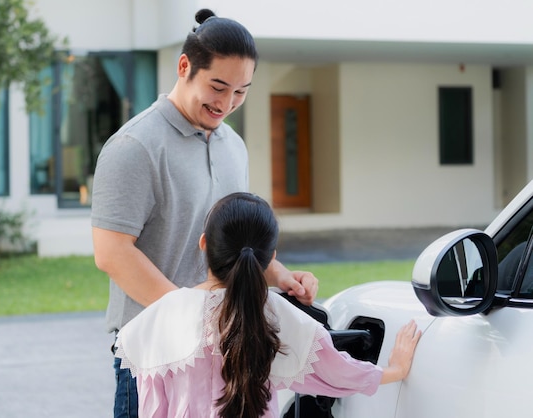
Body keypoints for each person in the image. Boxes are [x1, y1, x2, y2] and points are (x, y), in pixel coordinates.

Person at [91, 9, 319, 417]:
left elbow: (235, 235)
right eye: (218, 86)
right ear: (184, 67)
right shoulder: (133, 147)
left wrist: (279, 275)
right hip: (153, 356)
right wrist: (189, 318)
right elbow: (111, 252)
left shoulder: (234, 146)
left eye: (241, 92)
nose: (227, 103)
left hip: (222, 352)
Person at [114, 192, 422, 418]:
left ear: (204, 243)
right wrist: (394, 370)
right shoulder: (276, 313)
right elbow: (337, 371)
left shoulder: (158, 318)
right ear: (271, 257)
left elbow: (153, 409)